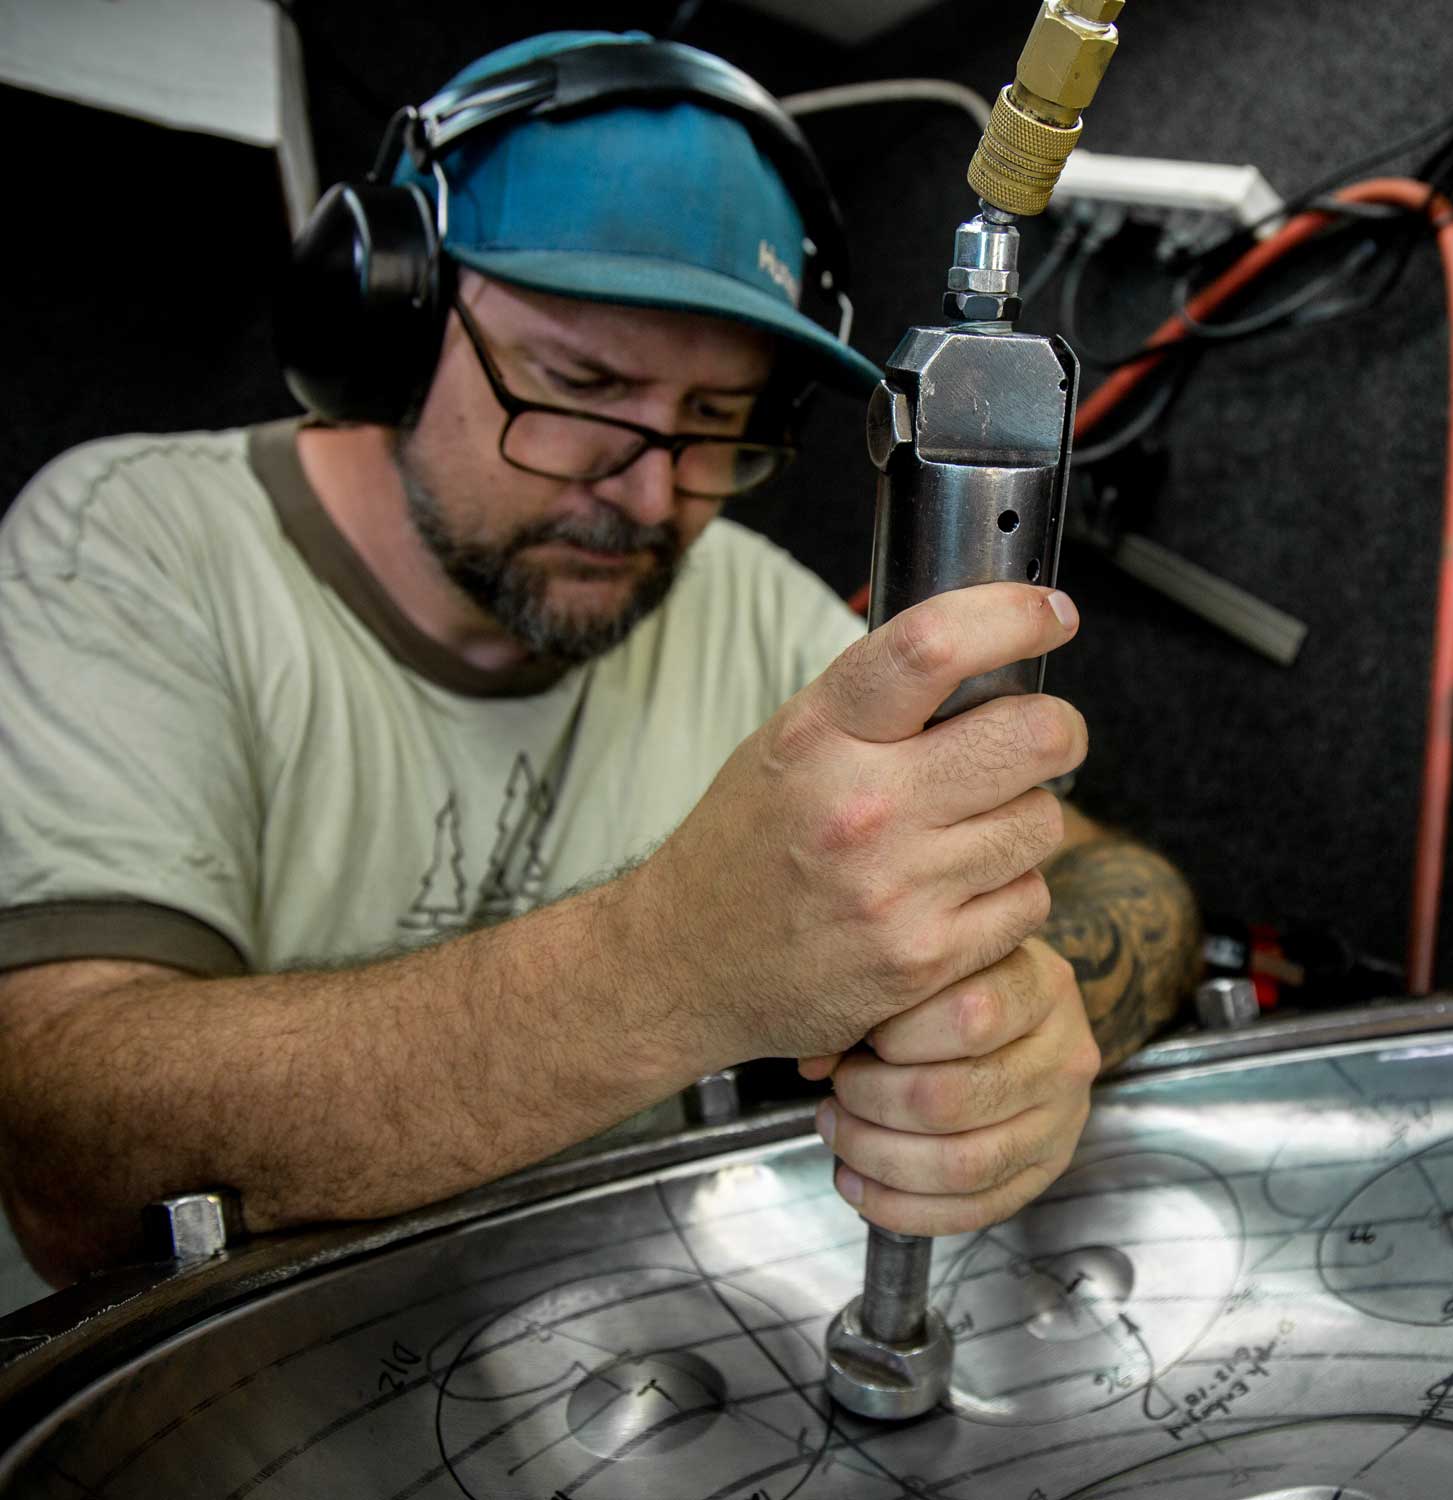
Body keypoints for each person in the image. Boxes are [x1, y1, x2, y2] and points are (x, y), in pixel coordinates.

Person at [0, 31, 1198, 1288]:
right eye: (578, 383)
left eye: (713, 422)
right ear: (390, 321)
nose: (646, 493)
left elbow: (1123, 883)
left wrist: (1018, 1035)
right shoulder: (128, 544)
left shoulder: (742, 603)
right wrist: (674, 963)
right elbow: (69, 1150)